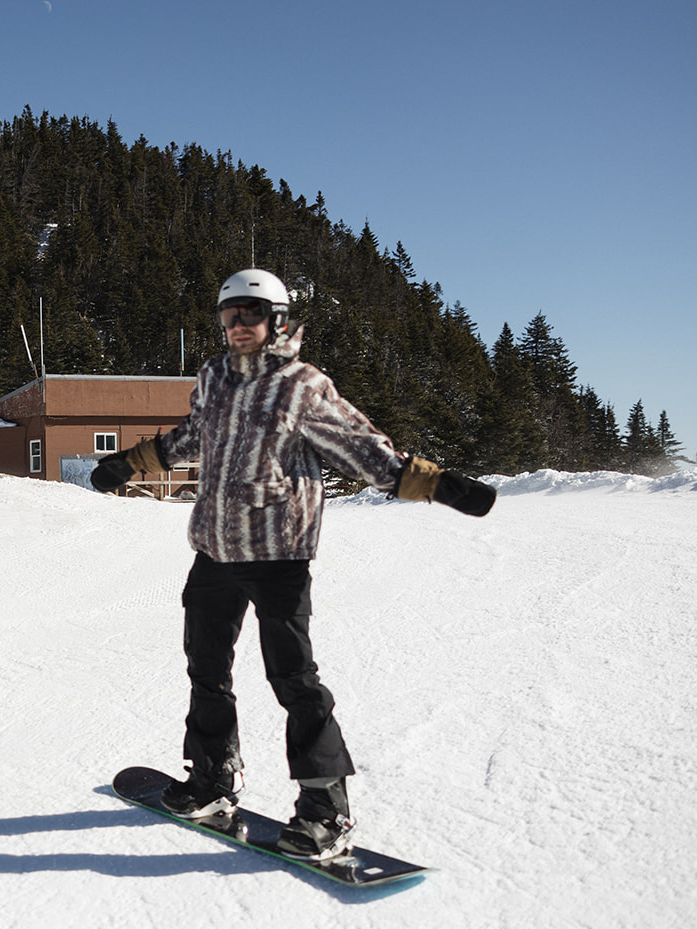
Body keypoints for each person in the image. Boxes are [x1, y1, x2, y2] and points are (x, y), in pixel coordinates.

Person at [90, 268, 495, 859]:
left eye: (250, 315)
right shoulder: (215, 377)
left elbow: (362, 448)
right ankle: (210, 779)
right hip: (214, 547)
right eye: (229, 316)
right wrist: (130, 463)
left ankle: (325, 810)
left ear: (276, 321)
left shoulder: (302, 384)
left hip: (278, 550)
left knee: (295, 681)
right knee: (206, 669)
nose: (238, 326)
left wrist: (439, 485)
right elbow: (194, 435)